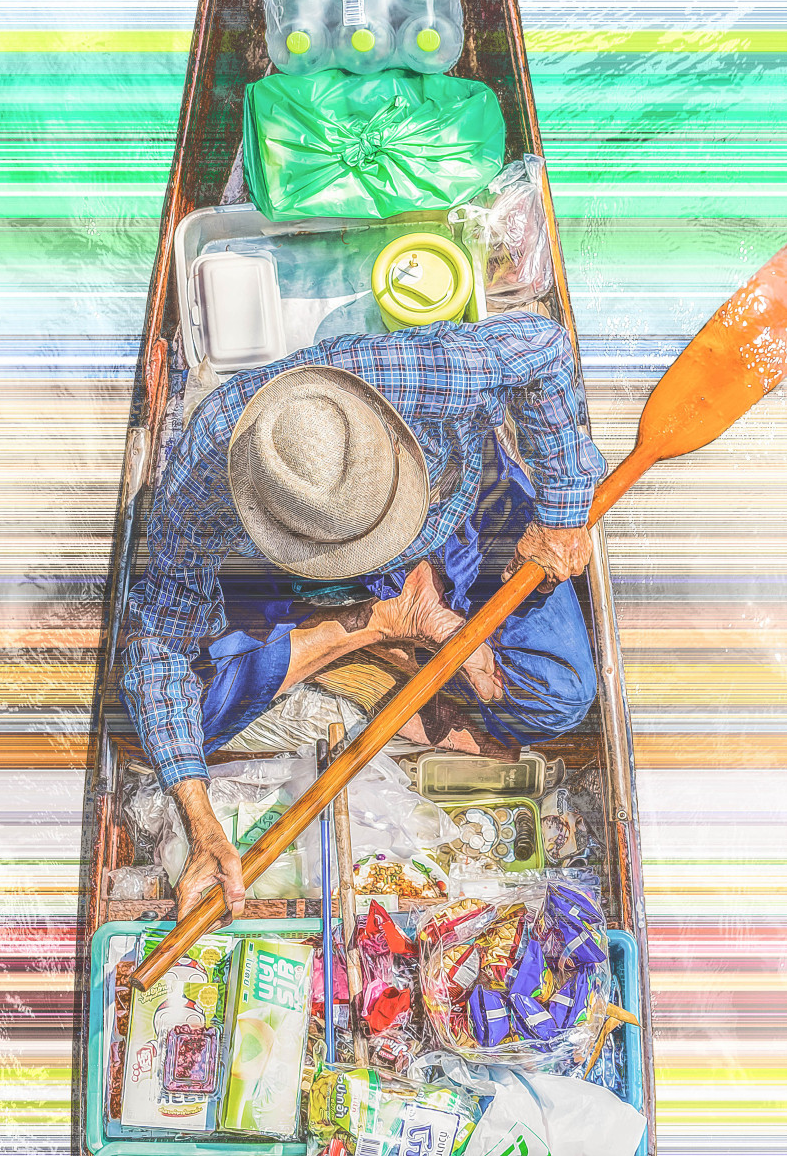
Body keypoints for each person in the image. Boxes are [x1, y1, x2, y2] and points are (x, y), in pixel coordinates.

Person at [121, 315, 606, 920]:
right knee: (181, 727)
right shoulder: (203, 475)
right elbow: (156, 645)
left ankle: (395, 632)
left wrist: (561, 513)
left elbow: (545, 348)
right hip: (321, 592)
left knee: (559, 697)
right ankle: (379, 623)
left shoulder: (419, 375)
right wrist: (201, 822)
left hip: (464, 529)